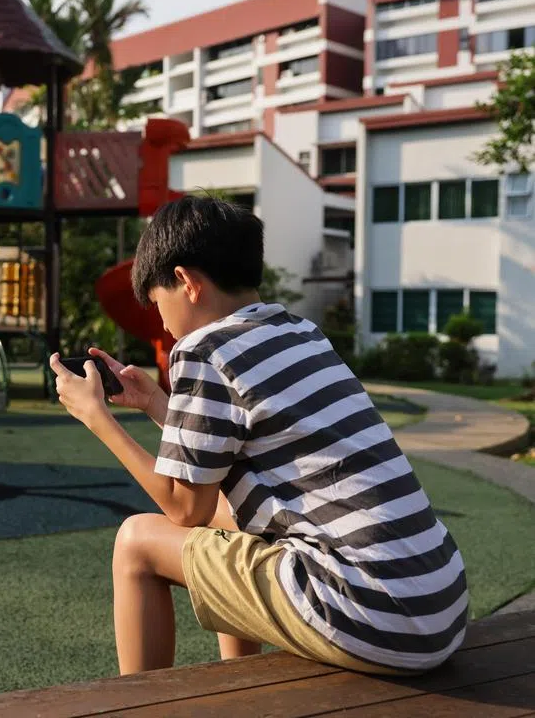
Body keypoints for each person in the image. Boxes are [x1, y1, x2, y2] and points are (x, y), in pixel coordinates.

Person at [50, 196, 467, 677]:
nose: (160, 320)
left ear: (186, 282)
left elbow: (185, 508)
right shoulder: (300, 333)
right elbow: (233, 447)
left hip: (370, 615)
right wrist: (154, 404)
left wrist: (97, 417)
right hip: (437, 607)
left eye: (159, 301)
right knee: (234, 519)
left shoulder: (204, 348)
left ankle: (141, 706)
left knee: (136, 542)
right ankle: (242, 688)